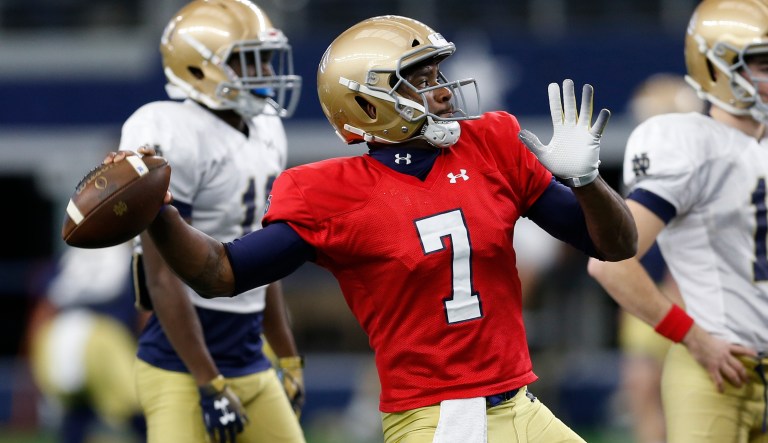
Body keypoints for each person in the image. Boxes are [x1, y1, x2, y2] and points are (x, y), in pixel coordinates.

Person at [106, 15, 637, 443]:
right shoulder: (330, 192)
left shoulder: (493, 143)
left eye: (438, 75)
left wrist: (589, 182)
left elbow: (616, 245)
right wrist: (161, 213)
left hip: (520, 403)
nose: (445, 91)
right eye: (423, 80)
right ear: (366, 102)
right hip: (438, 419)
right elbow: (221, 273)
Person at [116, 0, 305, 442]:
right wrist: (207, 381)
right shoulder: (167, 127)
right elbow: (161, 274)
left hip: (249, 355)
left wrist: (288, 355)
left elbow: (263, 255)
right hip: (179, 365)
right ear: (198, 67)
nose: (263, 72)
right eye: (247, 60)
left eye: (265, 58)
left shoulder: (266, 130)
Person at [588, 1, 768, 442]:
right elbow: (610, 262)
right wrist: (692, 338)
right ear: (716, 67)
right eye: (762, 63)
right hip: (719, 372)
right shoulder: (690, 143)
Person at [616, 73, 704, 443]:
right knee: (642, 389)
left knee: (691, 398)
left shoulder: (695, 165)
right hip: (642, 290)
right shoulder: (640, 164)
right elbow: (620, 249)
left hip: (685, 295)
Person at [28, 243, 147, 443]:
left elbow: (43, 310)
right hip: (103, 338)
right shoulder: (133, 255)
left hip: (54, 337)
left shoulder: (73, 253)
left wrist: (36, 360)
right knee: (142, 412)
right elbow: (146, 313)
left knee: (75, 412)